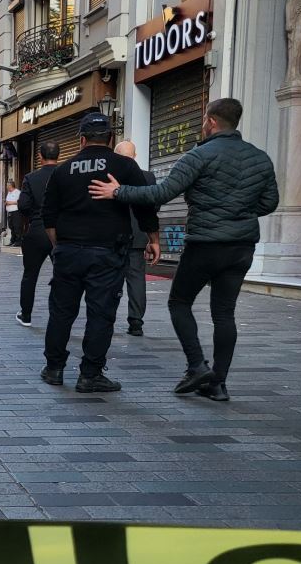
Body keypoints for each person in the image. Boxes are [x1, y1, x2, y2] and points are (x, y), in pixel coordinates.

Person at [90, 98, 280, 402]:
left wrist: (118, 191)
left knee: (179, 302)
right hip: (241, 246)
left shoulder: (199, 156)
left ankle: (196, 366)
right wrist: (236, 212)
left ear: (213, 121)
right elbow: (269, 203)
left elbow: (161, 193)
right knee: (224, 313)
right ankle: (218, 382)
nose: (203, 124)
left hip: (205, 243)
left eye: (205, 119)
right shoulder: (260, 158)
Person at [40, 112, 160, 393]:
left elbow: (49, 216)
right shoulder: (125, 166)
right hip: (107, 252)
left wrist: (59, 247)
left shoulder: (63, 169)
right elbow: (145, 206)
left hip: (69, 251)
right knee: (101, 314)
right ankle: (90, 374)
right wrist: (153, 238)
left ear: (81, 139)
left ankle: (54, 368)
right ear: (110, 138)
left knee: (61, 312)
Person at [113, 141, 157, 337]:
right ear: (135, 155)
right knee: (137, 279)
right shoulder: (147, 177)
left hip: (112, 236)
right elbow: (153, 207)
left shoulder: (108, 176)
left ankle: (106, 317)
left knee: (109, 279)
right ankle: (136, 322)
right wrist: (151, 236)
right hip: (138, 236)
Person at [15, 142, 61, 327]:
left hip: (38, 230)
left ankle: (26, 314)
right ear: (58, 155)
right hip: (61, 232)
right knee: (62, 275)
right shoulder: (65, 174)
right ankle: (58, 315)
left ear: (40, 157)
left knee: (30, 274)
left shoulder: (31, 178)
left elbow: (23, 205)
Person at [5, 181, 22, 246]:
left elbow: (19, 202)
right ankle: (12, 241)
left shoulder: (18, 192)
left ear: (11, 186)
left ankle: (18, 241)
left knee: (16, 227)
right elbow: (8, 201)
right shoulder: (9, 193)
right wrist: (6, 203)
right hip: (9, 212)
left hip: (16, 212)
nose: (6, 187)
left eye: (7, 185)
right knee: (11, 227)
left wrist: (9, 203)